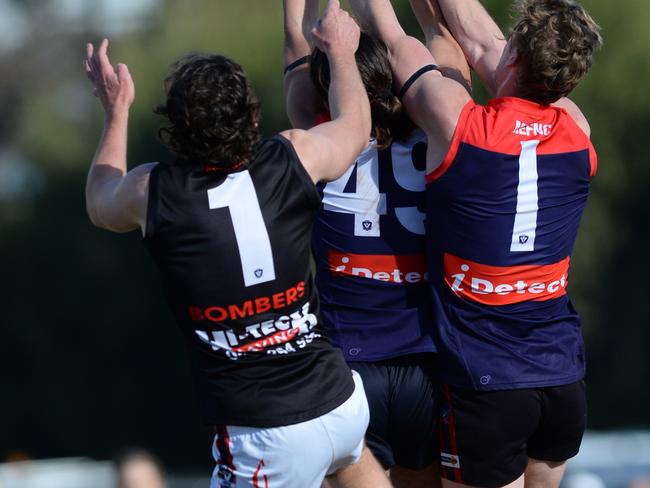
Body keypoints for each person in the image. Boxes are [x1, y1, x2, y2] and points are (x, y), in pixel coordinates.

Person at [82, 1, 391, 487]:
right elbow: (355, 125)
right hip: (339, 402)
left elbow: (100, 201)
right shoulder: (295, 155)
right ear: (251, 117)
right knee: (351, 458)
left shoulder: (154, 193)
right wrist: (341, 51)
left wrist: (115, 111)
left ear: (175, 130)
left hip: (263, 432)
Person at [347, 0, 602, 487]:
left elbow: (394, 39)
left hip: (488, 382)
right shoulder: (576, 127)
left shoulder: (459, 123)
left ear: (516, 59)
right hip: (560, 375)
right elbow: (484, 44)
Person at [282, 1, 469, 486]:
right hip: (427, 366)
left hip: (348, 372)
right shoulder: (439, 139)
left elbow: (296, 48)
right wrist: (420, 22)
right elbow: (450, 59)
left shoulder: (317, 146)